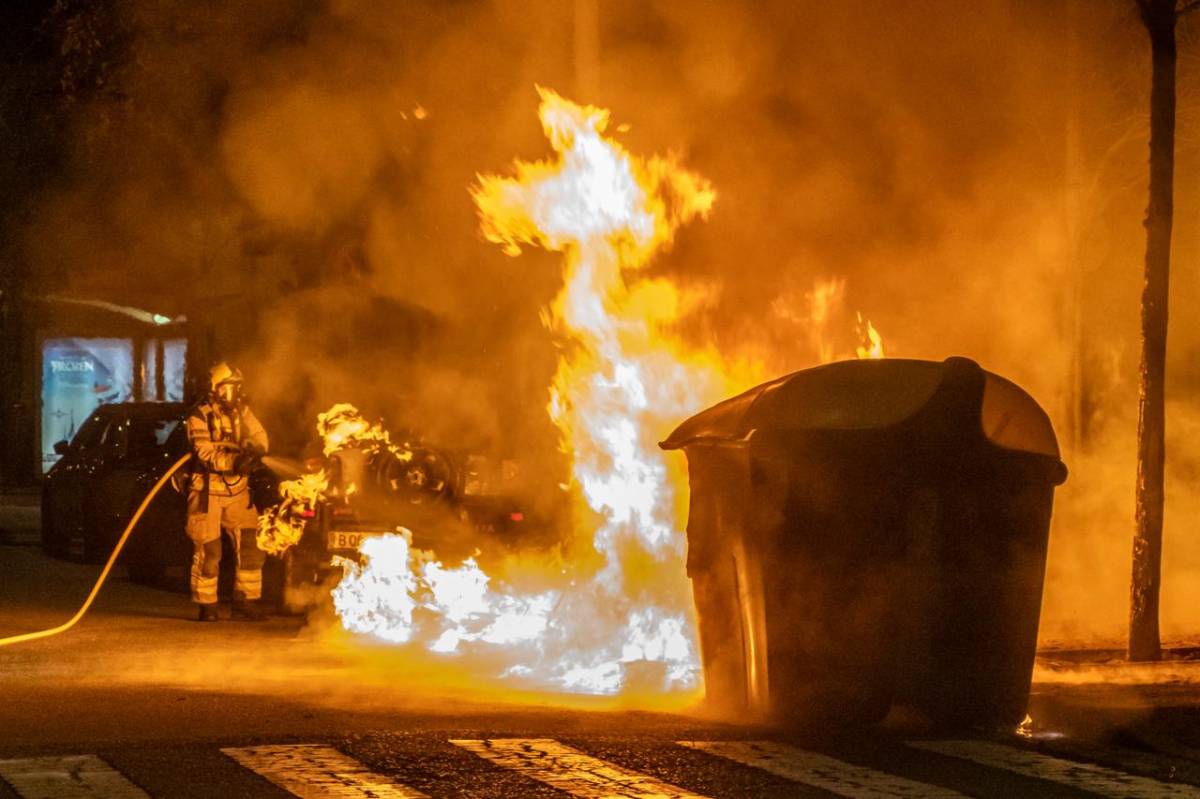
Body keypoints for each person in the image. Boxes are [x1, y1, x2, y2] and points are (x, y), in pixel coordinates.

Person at [186, 362, 269, 622]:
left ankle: (245, 601)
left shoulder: (243, 412)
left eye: (236, 389)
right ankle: (207, 605)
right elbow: (204, 452)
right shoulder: (198, 416)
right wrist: (233, 462)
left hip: (238, 491)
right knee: (210, 552)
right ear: (214, 388)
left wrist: (255, 451)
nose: (232, 394)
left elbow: (260, 436)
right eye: (227, 388)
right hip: (207, 491)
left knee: (250, 546)